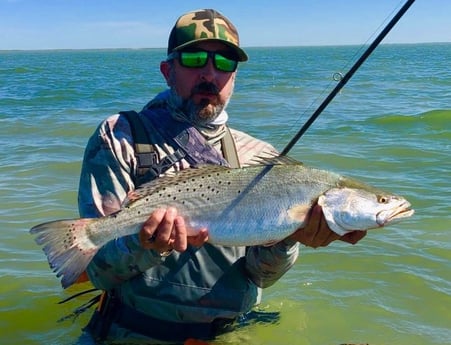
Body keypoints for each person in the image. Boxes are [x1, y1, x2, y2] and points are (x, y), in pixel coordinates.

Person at [78, 8, 366, 343]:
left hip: (229, 335)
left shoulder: (259, 156)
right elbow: (98, 273)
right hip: (133, 333)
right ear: (167, 71)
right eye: (195, 59)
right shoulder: (120, 137)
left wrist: (289, 236)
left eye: (225, 63)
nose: (210, 74)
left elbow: (260, 275)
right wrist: (145, 245)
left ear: (235, 76)